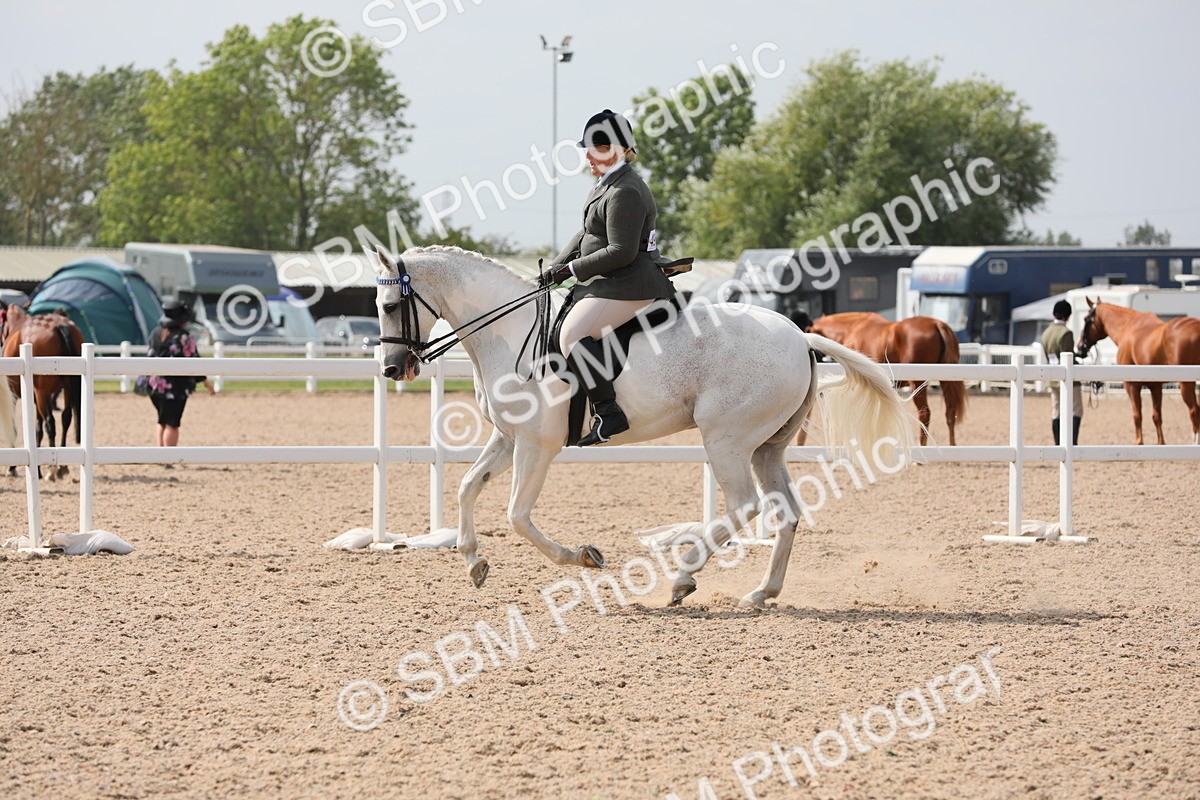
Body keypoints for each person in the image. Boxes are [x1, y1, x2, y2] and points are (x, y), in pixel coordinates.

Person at [548, 108, 677, 446]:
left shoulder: (626, 191)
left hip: (631, 282)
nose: (588, 157)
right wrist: (555, 267)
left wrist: (572, 270)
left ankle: (609, 412)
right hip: (611, 281)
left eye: (597, 149)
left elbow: (621, 251)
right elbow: (585, 233)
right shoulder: (606, 185)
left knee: (572, 335)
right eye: (588, 149)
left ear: (618, 150)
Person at [147, 299, 213, 448]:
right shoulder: (184, 337)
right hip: (175, 387)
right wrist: (204, 381)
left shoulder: (156, 333)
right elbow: (194, 360)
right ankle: (168, 455)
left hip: (155, 385)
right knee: (172, 423)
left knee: (162, 420)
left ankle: (160, 452)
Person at [1041, 299, 1082, 445]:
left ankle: (1058, 444)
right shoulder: (1066, 333)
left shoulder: (1046, 333)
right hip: (1069, 379)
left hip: (1052, 377)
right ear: (1067, 316)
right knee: (1076, 410)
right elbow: (1067, 358)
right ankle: (1072, 443)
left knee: (1056, 411)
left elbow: (1050, 356)